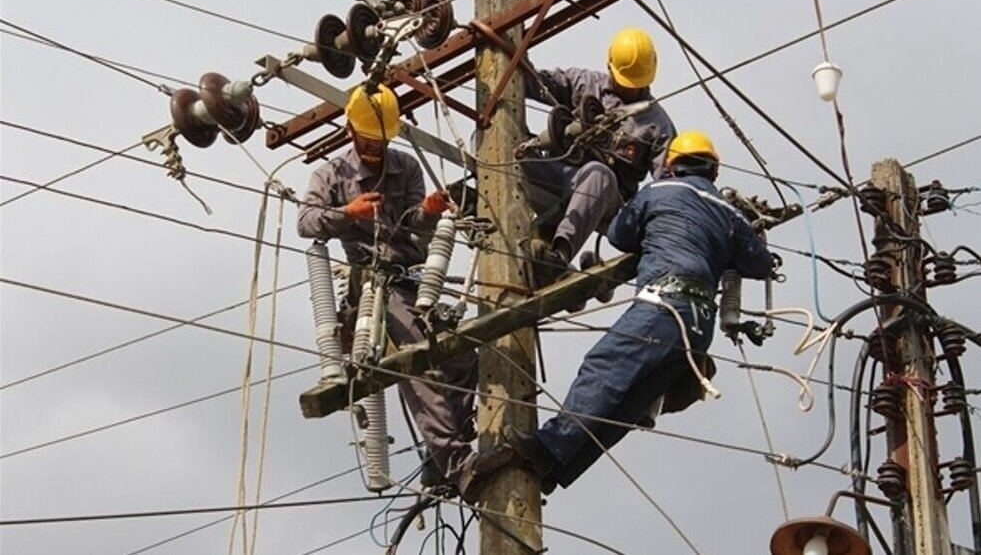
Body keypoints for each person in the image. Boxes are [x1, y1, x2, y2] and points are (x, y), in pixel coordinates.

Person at [504, 130, 774, 492]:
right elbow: (761, 263)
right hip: (699, 327)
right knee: (627, 406)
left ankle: (548, 447)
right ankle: (555, 469)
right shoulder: (729, 215)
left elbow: (618, 235)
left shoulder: (659, 191)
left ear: (672, 167)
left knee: (604, 368)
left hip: (663, 305)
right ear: (714, 173)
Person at [297, 84, 506, 501]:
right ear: (351, 132)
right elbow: (306, 221)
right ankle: (454, 461)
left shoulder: (405, 167)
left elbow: (413, 226)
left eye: (382, 141)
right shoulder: (332, 175)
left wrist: (427, 212)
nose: (376, 149)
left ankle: (440, 449)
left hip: (412, 281)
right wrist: (347, 213)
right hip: (371, 291)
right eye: (369, 141)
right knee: (418, 362)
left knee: (463, 356)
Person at [520, 27, 677, 287]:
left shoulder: (657, 125)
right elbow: (532, 83)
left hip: (607, 199)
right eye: (626, 83)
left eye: (637, 85)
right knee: (509, 144)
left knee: (598, 173)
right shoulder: (584, 83)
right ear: (609, 65)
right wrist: (515, 48)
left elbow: (669, 187)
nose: (630, 91)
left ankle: (557, 258)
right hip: (558, 175)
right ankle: (480, 202)